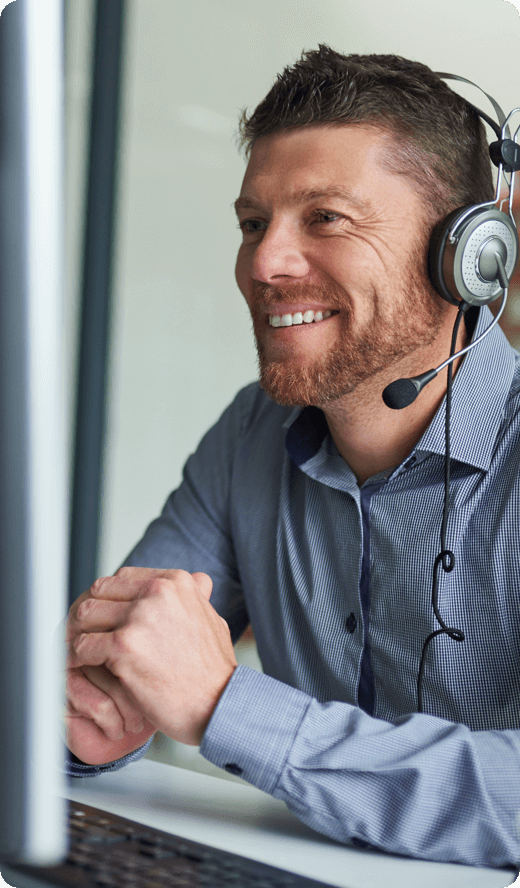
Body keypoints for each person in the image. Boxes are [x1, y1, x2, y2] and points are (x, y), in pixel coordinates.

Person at [64, 47, 520, 869]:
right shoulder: (252, 433)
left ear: (468, 253)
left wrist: (224, 705)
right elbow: (117, 677)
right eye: (252, 223)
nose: (264, 264)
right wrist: (86, 721)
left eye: (326, 218)